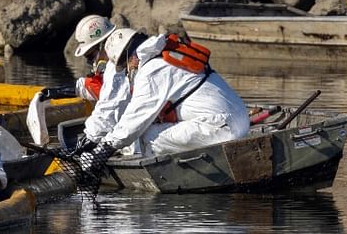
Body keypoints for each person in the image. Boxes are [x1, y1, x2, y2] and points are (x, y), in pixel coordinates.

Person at [74, 29, 249, 176]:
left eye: (125, 65)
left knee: (144, 137)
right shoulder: (166, 56)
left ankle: (182, 176)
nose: (129, 70)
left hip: (220, 127)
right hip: (239, 121)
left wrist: (104, 148)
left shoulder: (151, 70)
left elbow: (135, 120)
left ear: (131, 56)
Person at [39, 15, 116, 103]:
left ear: (105, 45)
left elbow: (109, 101)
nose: (91, 62)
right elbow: (87, 87)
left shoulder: (121, 71)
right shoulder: (113, 69)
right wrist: (55, 92)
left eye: (90, 56)